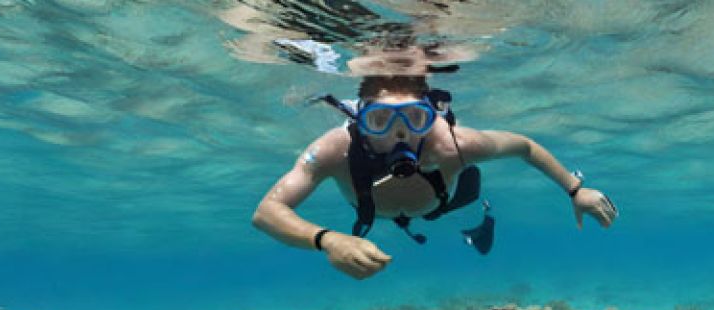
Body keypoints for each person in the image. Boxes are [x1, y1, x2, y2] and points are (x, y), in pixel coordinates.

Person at [252, 74, 619, 279]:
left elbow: (523, 146)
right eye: (380, 120)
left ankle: (480, 223)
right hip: (377, 210)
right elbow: (267, 211)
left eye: (414, 119)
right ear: (359, 119)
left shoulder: (456, 145)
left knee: (474, 217)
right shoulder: (335, 149)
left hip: (447, 202)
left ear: (431, 116)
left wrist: (575, 190)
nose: (399, 134)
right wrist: (327, 240)